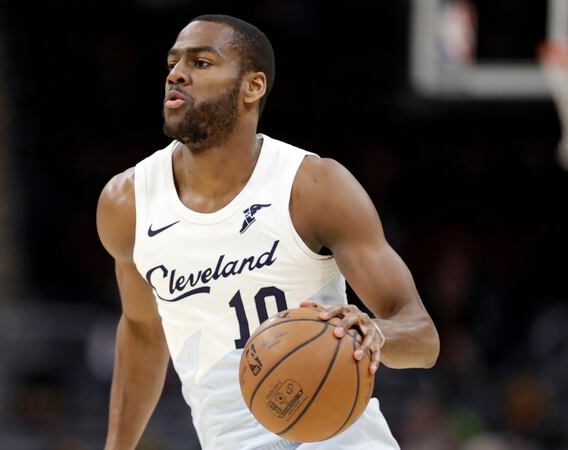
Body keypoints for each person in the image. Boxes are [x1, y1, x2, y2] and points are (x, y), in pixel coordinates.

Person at [96, 14, 440, 450]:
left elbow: (423, 339)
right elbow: (143, 333)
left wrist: (375, 333)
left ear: (252, 87)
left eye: (201, 63)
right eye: (172, 63)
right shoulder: (128, 203)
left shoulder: (313, 187)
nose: (176, 74)